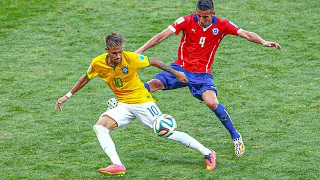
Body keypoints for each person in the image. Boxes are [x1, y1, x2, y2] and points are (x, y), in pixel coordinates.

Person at [55, 32, 216, 176]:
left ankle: (207, 152)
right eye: (114, 53)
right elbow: (85, 78)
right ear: (107, 51)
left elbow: (153, 61)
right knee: (100, 127)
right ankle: (117, 164)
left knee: (166, 132)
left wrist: (176, 73)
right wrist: (67, 96)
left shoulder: (130, 58)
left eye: (120, 52)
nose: (118, 56)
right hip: (123, 105)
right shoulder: (98, 63)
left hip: (142, 101)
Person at [134, 0, 282, 157]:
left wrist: (263, 41)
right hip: (181, 68)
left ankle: (236, 136)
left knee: (212, 102)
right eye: (198, 15)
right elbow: (162, 36)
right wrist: (141, 50)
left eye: (205, 17)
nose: (201, 20)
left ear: (213, 14)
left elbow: (246, 34)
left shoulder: (223, 25)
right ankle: (122, 100)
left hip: (202, 75)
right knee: (154, 84)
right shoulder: (186, 20)